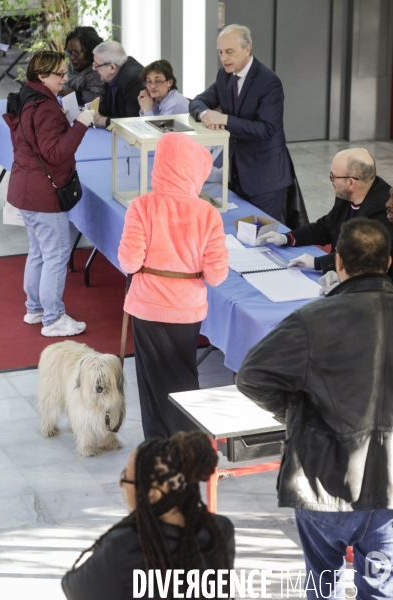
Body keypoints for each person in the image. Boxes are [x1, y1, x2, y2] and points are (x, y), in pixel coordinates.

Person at [237, 217, 393, 599]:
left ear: (337, 261)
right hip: (389, 485)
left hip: (323, 479)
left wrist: (294, 414)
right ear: (388, 262)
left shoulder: (312, 319)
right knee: (380, 590)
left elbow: (252, 376)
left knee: (321, 584)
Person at [118, 132, 228, 439]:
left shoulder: (142, 206)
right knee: (183, 375)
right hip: (187, 309)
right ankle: (188, 442)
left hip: (147, 306)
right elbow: (217, 275)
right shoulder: (207, 213)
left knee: (150, 380)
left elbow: (128, 262)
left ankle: (156, 443)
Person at [62, 431, 235, 599]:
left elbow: (73, 588)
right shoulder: (221, 530)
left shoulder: (124, 546)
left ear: (153, 494)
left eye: (126, 478)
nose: (120, 483)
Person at [3, 51, 94, 336]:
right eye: (60, 74)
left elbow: (36, 138)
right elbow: (55, 153)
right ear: (42, 75)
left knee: (39, 252)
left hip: (24, 189)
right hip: (44, 194)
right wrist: (80, 123)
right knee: (55, 254)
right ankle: (53, 318)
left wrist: (59, 119)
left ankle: (35, 308)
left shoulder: (28, 96)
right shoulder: (44, 107)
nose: (65, 78)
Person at [189, 24, 292, 220]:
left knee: (263, 237)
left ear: (247, 49)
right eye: (220, 52)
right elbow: (197, 102)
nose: (224, 58)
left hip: (265, 177)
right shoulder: (224, 75)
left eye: (229, 51)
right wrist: (205, 115)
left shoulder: (268, 82)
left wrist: (225, 119)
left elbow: (266, 129)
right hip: (236, 173)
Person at [259, 148, 393, 276]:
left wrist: (318, 263)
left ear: (350, 183)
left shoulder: (384, 210)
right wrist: (287, 238)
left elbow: (365, 256)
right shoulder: (347, 194)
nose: (332, 181)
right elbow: (325, 227)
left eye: (333, 176)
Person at [92, 41, 143, 128]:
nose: (94, 68)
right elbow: (107, 107)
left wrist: (101, 121)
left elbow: (132, 121)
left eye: (97, 65)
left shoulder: (133, 79)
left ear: (112, 67)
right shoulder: (111, 74)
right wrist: (89, 112)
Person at [58, 26, 104, 105]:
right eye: (69, 52)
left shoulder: (100, 73)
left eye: (76, 53)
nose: (71, 57)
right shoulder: (71, 67)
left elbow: (96, 103)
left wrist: (76, 95)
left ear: (90, 51)